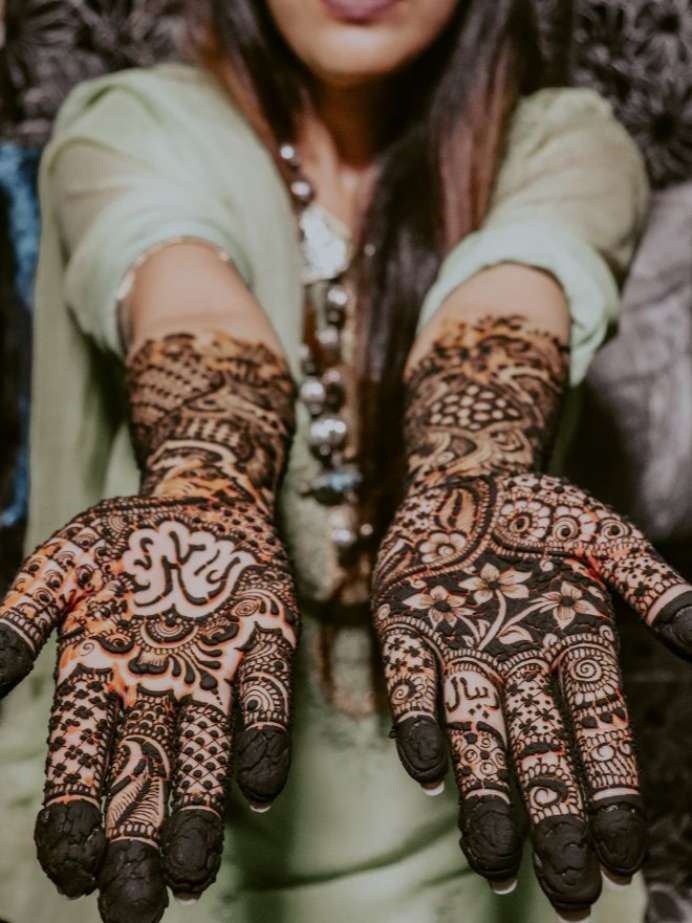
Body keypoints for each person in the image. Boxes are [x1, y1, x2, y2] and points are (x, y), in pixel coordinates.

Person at [1, 1, 691, 922]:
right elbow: (185, 302)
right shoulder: (128, 126)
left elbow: (515, 289)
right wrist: (205, 485)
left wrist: (468, 471)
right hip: (163, 816)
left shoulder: (565, 142)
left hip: (483, 839)